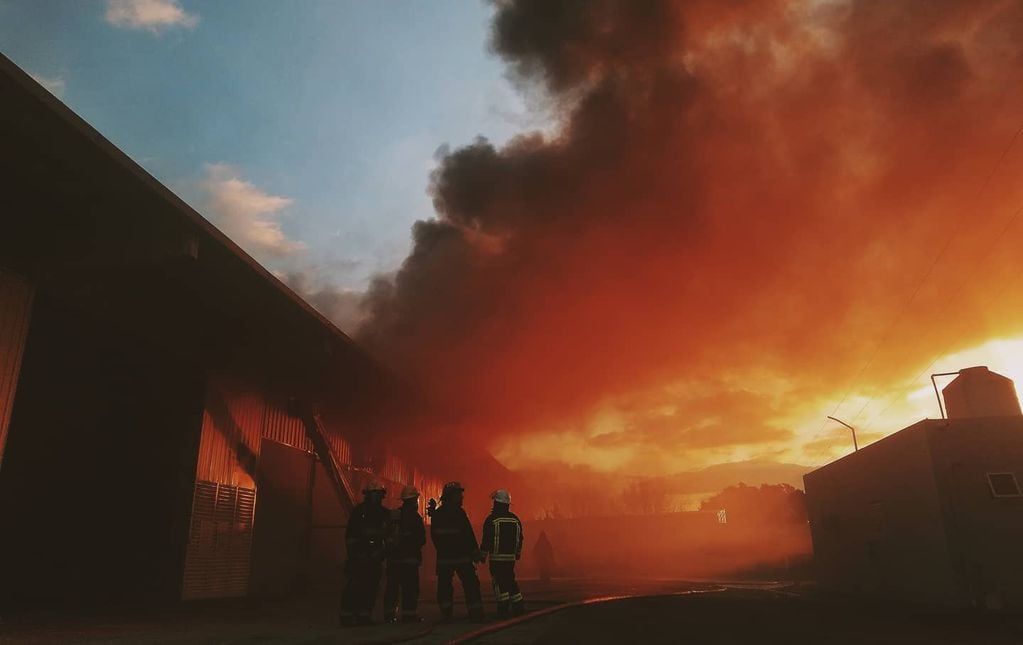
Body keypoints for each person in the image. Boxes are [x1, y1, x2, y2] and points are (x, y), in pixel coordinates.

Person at [430, 481, 485, 621]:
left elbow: (434, 537)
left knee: (444, 586)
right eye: (458, 495)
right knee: (471, 584)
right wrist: (474, 552)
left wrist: (443, 551)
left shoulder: (438, 514)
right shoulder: (459, 513)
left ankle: (446, 613)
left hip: (445, 558)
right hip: (462, 557)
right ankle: (475, 613)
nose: (461, 497)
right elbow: (468, 535)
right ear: (450, 496)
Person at [339, 479, 389, 627]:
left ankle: (364, 616)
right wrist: (354, 554)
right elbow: (352, 535)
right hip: (359, 557)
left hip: (374, 557)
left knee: (371, 587)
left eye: (380, 494)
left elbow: (388, 532)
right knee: (355, 587)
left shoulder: (383, 513)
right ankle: (347, 616)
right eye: (376, 494)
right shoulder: (359, 512)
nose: (379, 497)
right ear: (368, 495)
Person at [383, 485, 426, 623]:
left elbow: (386, 535)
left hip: (394, 560)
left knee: (392, 588)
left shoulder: (394, 515)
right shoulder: (415, 517)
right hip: (409, 560)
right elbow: (421, 539)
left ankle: (389, 615)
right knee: (410, 589)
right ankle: (409, 615)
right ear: (414, 500)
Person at [481, 489, 525, 617]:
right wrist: (517, 553)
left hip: (496, 559)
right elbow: (519, 538)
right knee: (510, 580)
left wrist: (483, 554)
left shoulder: (492, 519)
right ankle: (518, 606)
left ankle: (503, 609)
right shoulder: (515, 520)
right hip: (510, 559)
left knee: (499, 582)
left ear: (497, 504)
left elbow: (487, 539)